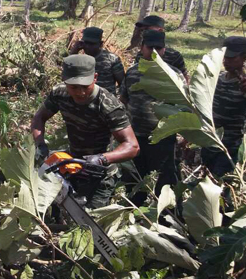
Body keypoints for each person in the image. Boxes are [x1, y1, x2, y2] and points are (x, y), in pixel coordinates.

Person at [31, 55, 140, 208]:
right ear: (64, 79)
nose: (80, 93)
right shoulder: (59, 94)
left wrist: (101, 159)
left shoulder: (108, 105)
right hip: (73, 163)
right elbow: (39, 117)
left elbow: (132, 146)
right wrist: (40, 145)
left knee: (92, 218)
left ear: (95, 78)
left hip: (101, 172)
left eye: (85, 86)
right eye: (74, 87)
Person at [120, 30, 180, 205]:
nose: (154, 52)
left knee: (165, 182)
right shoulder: (132, 73)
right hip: (135, 138)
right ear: (141, 48)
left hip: (163, 139)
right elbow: (124, 99)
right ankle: (134, 214)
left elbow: (184, 106)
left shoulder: (173, 75)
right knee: (134, 180)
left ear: (164, 49)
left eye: (158, 48)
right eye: (150, 47)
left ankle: (168, 219)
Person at [201, 36, 246, 177]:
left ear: (244, 58)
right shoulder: (217, 78)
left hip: (229, 148)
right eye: (224, 57)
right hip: (209, 142)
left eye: (231, 58)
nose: (226, 61)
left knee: (221, 185)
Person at [69, 26, 125, 95]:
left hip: (106, 101)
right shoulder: (79, 59)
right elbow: (66, 77)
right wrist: (74, 51)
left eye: (92, 44)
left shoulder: (111, 59)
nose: (88, 46)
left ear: (101, 44)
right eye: (86, 43)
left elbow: (122, 83)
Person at [133, 15, 189, 81]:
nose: (142, 33)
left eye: (146, 29)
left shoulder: (174, 55)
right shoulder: (141, 55)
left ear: (160, 30)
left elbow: (184, 79)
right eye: (141, 30)